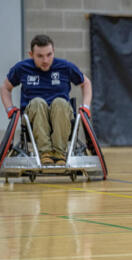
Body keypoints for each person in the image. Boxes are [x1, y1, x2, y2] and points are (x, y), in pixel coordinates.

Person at [0, 34, 92, 166]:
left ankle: (60, 153)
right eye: (40, 56)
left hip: (61, 115)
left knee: (59, 102)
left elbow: (86, 83)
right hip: (33, 117)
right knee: (38, 102)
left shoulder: (65, 67)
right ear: (31, 54)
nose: (45, 60)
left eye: (49, 54)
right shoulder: (22, 68)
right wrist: (9, 109)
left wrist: (86, 107)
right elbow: (5, 88)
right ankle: (45, 153)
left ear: (53, 52)